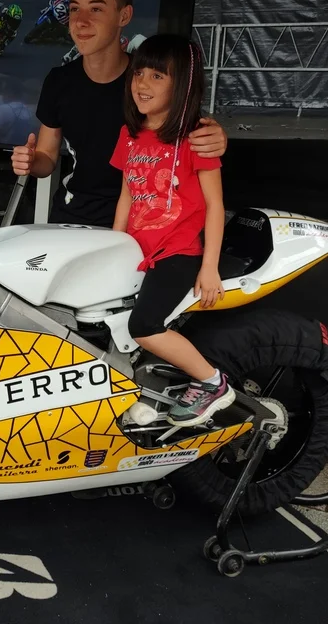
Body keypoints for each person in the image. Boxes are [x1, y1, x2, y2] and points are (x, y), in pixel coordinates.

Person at [11, 0, 228, 227]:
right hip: (71, 219)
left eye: (96, 9)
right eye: (75, 8)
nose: (80, 21)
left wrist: (216, 137)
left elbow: (190, 132)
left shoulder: (148, 83)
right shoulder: (59, 80)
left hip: (141, 225)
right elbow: (47, 157)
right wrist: (30, 162)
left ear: (124, 15)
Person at [113, 33, 233, 427]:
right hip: (135, 249)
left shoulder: (197, 137)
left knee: (143, 327)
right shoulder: (130, 133)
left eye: (157, 76)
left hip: (178, 252)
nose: (142, 84)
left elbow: (215, 205)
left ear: (181, 84)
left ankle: (213, 383)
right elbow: (127, 195)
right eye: (138, 73)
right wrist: (112, 247)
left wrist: (209, 267)